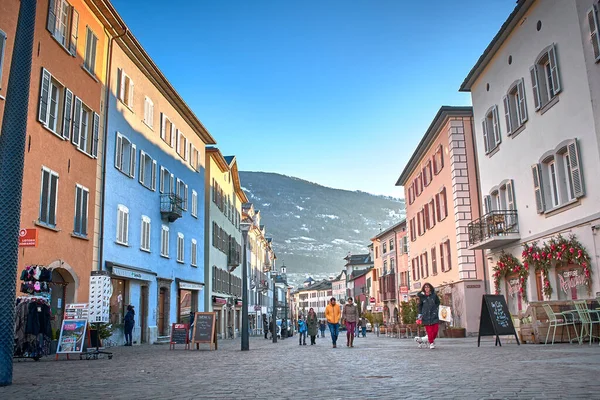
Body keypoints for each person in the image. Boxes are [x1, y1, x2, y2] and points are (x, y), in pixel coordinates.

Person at [415, 282, 440, 349]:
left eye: (428, 287)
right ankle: (431, 343)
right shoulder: (422, 297)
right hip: (426, 316)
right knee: (429, 331)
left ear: (430, 288)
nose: (426, 288)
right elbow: (420, 307)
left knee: (435, 331)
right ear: (424, 289)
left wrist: (435, 308)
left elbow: (438, 302)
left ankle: (430, 339)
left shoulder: (434, 295)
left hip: (434, 315)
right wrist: (419, 317)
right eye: (425, 287)